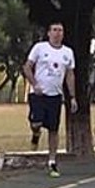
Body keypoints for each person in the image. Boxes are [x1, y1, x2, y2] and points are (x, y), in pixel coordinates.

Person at [22, 20, 78, 177]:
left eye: (60, 30)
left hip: (55, 96)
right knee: (36, 122)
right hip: (39, 94)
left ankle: (52, 161)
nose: (57, 33)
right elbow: (27, 67)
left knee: (53, 129)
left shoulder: (68, 52)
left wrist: (72, 97)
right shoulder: (40, 48)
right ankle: (36, 134)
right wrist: (35, 84)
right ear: (48, 33)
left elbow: (70, 75)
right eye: (54, 30)